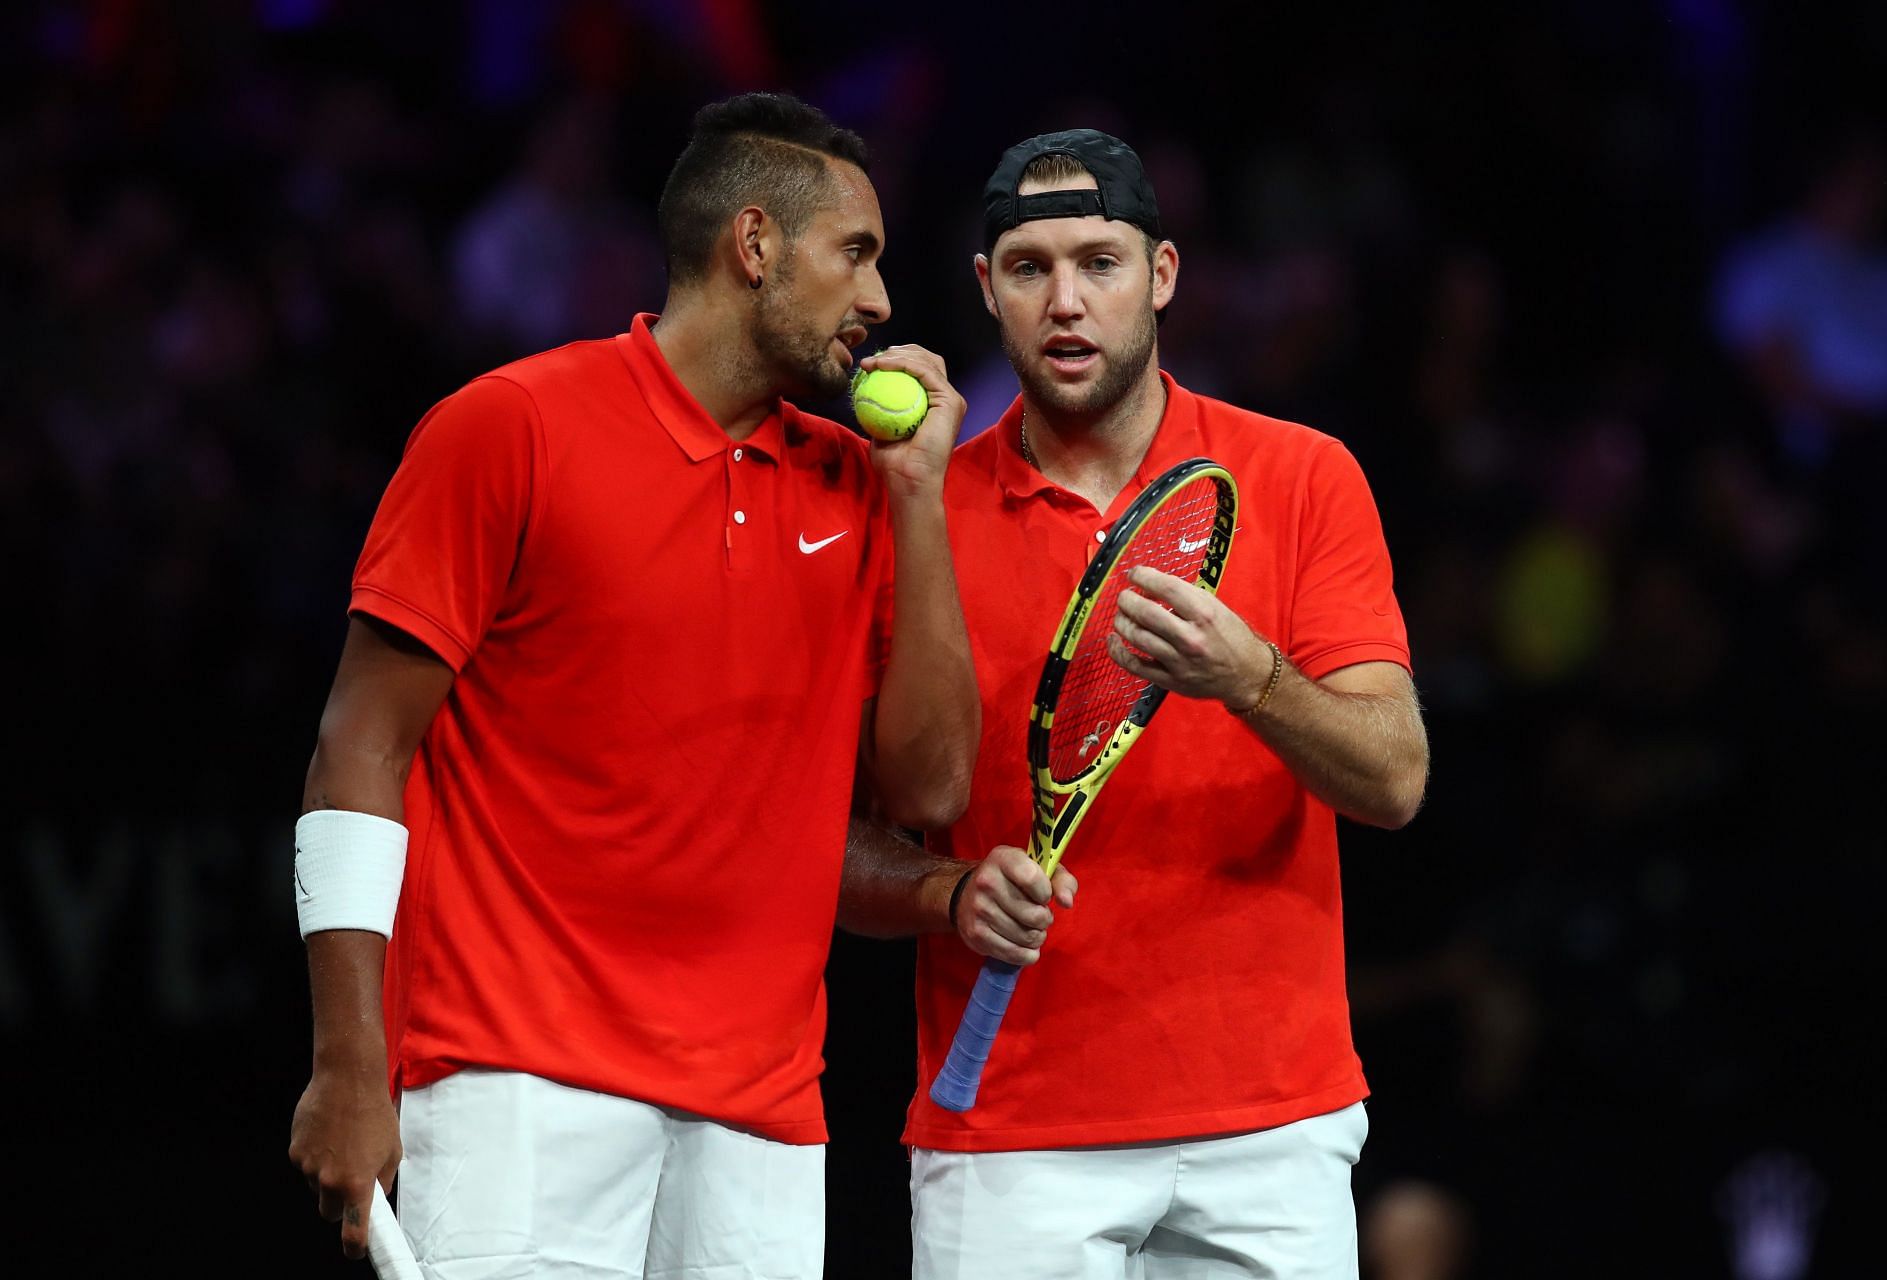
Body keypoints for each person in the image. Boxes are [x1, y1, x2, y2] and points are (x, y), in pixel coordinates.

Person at [287, 92, 979, 1280]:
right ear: (753, 245)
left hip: (766, 1116)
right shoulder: (507, 427)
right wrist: (349, 1064)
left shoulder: (858, 486)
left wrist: (920, 502)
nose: (879, 300)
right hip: (514, 1084)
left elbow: (929, 782)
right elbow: (359, 746)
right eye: (854, 253)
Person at [837, 128, 1428, 1278]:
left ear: (1160, 275)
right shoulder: (916, 507)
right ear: (984, 289)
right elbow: (827, 837)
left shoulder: (1303, 477)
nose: (1066, 301)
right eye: (1029, 267)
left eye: (1099, 263)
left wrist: (1251, 678)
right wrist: (947, 891)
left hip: (1272, 1129)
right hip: (1009, 1138)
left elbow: (1394, 777)